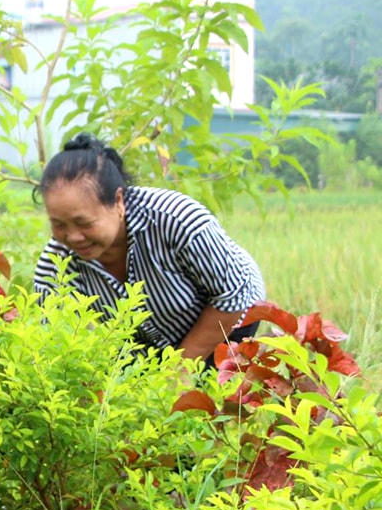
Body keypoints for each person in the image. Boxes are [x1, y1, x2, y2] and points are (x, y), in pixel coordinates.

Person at [33, 133, 265, 362]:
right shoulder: (56, 265)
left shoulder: (176, 220)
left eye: (84, 223)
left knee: (216, 394)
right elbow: (57, 345)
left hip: (229, 316)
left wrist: (179, 372)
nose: (73, 237)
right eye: (59, 224)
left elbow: (233, 294)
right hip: (151, 346)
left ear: (118, 202)